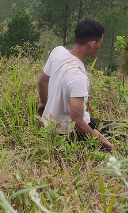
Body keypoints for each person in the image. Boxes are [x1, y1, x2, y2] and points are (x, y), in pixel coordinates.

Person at [37, 18, 114, 152]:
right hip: (66, 131)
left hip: (48, 124)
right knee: (124, 130)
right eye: (100, 43)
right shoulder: (78, 77)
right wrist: (106, 146)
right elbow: (77, 122)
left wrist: (43, 103)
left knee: (107, 125)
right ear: (92, 43)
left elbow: (42, 82)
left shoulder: (57, 52)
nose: (100, 46)